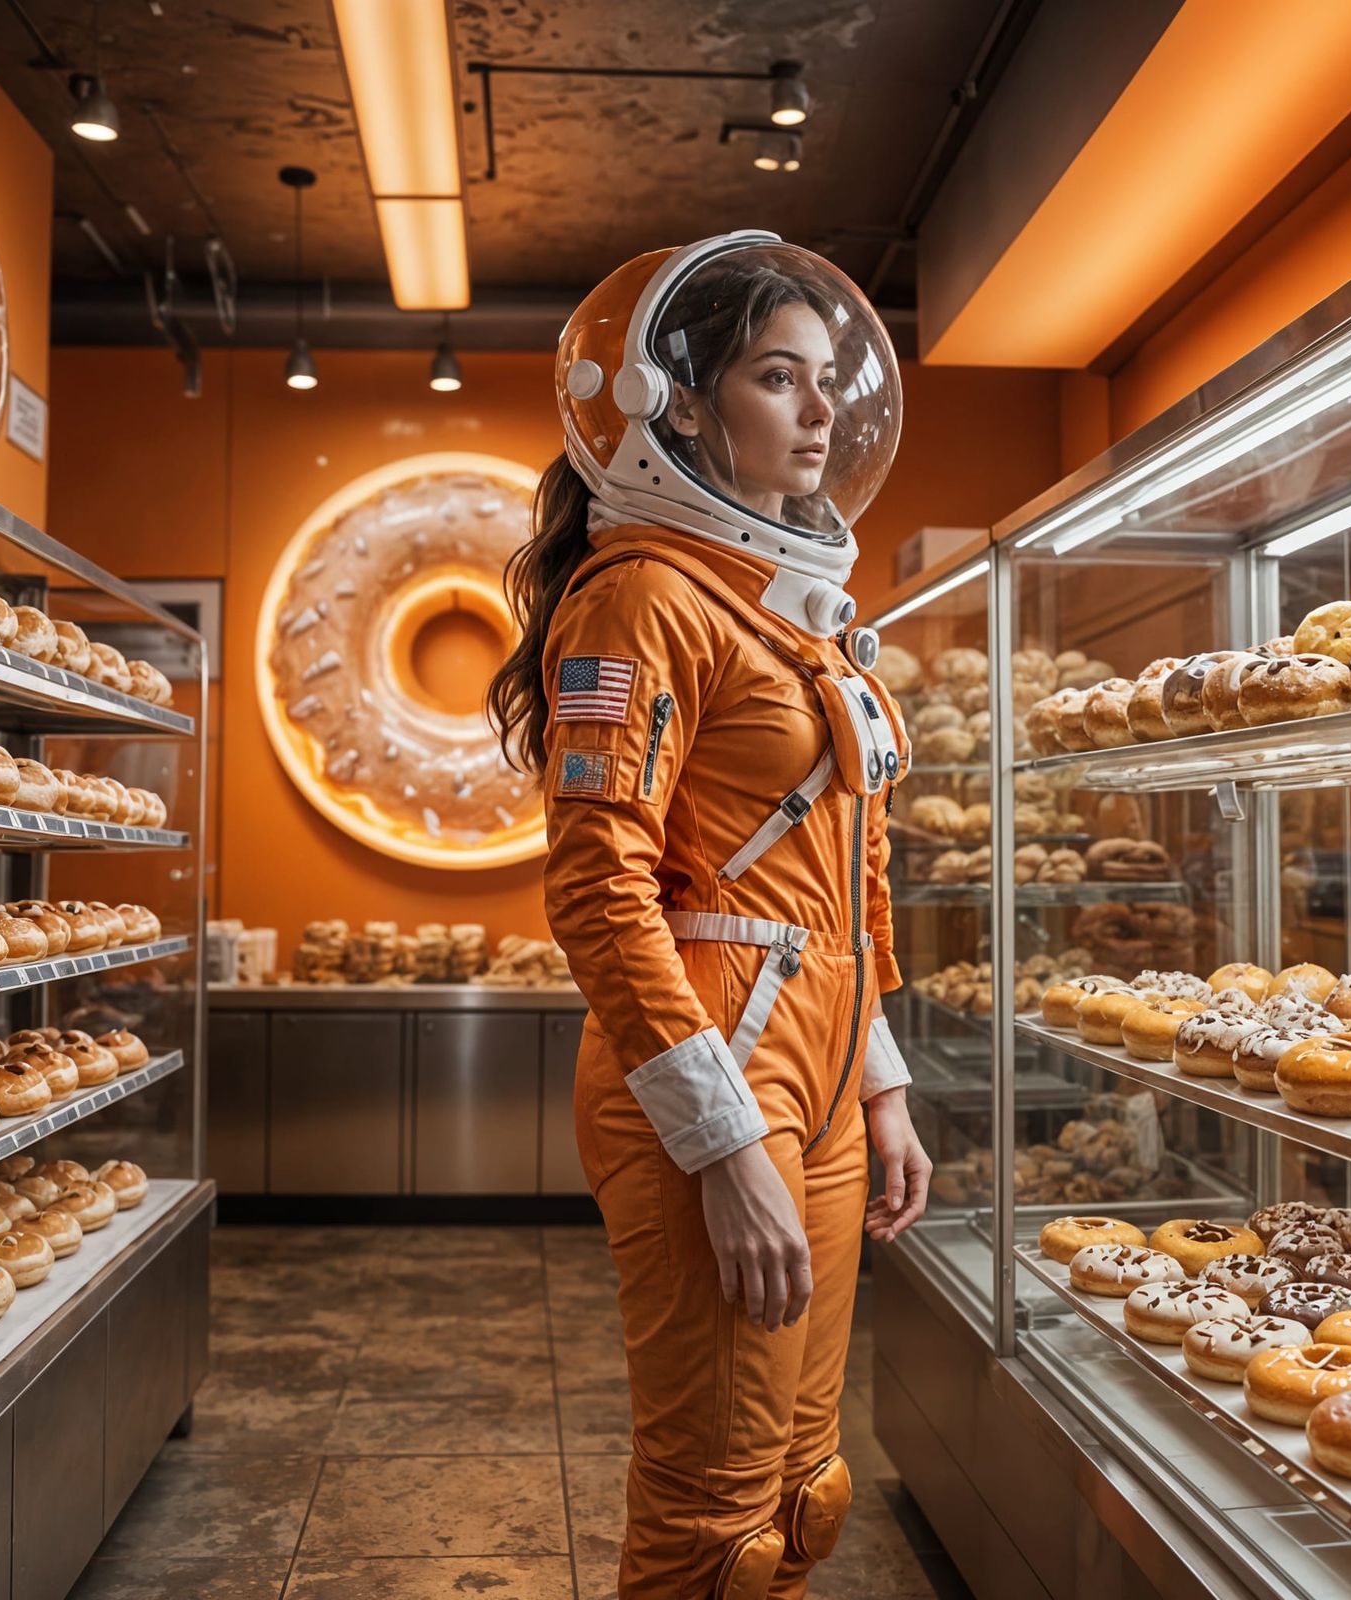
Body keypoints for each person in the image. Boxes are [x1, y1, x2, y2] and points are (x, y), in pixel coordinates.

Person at [488, 229, 932, 1599]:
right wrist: (724, 1141)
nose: (820, 411)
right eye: (776, 379)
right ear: (679, 404)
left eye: (824, 380)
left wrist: (882, 1081)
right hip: (713, 1072)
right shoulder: (641, 599)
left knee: (804, 1486)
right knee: (716, 1519)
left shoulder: (777, 615)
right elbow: (596, 884)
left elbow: (848, 868)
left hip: (819, 1064)